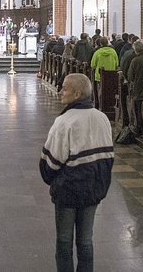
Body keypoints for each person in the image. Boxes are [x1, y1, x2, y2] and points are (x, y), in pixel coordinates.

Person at [39, 73, 114, 272]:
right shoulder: (102, 118)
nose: (60, 91)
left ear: (77, 94)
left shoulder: (65, 121)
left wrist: (53, 181)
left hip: (68, 191)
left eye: (65, 88)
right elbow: (108, 157)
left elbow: (50, 163)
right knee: (86, 240)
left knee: (64, 241)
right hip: (94, 188)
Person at [90, 37, 119, 106]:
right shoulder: (113, 52)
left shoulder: (97, 52)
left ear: (100, 44)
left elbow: (93, 65)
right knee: (110, 91)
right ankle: (110, 105)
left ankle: (101, 105)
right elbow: (117, 64)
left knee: (101, 91)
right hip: (111, 75)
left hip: (100, 76)